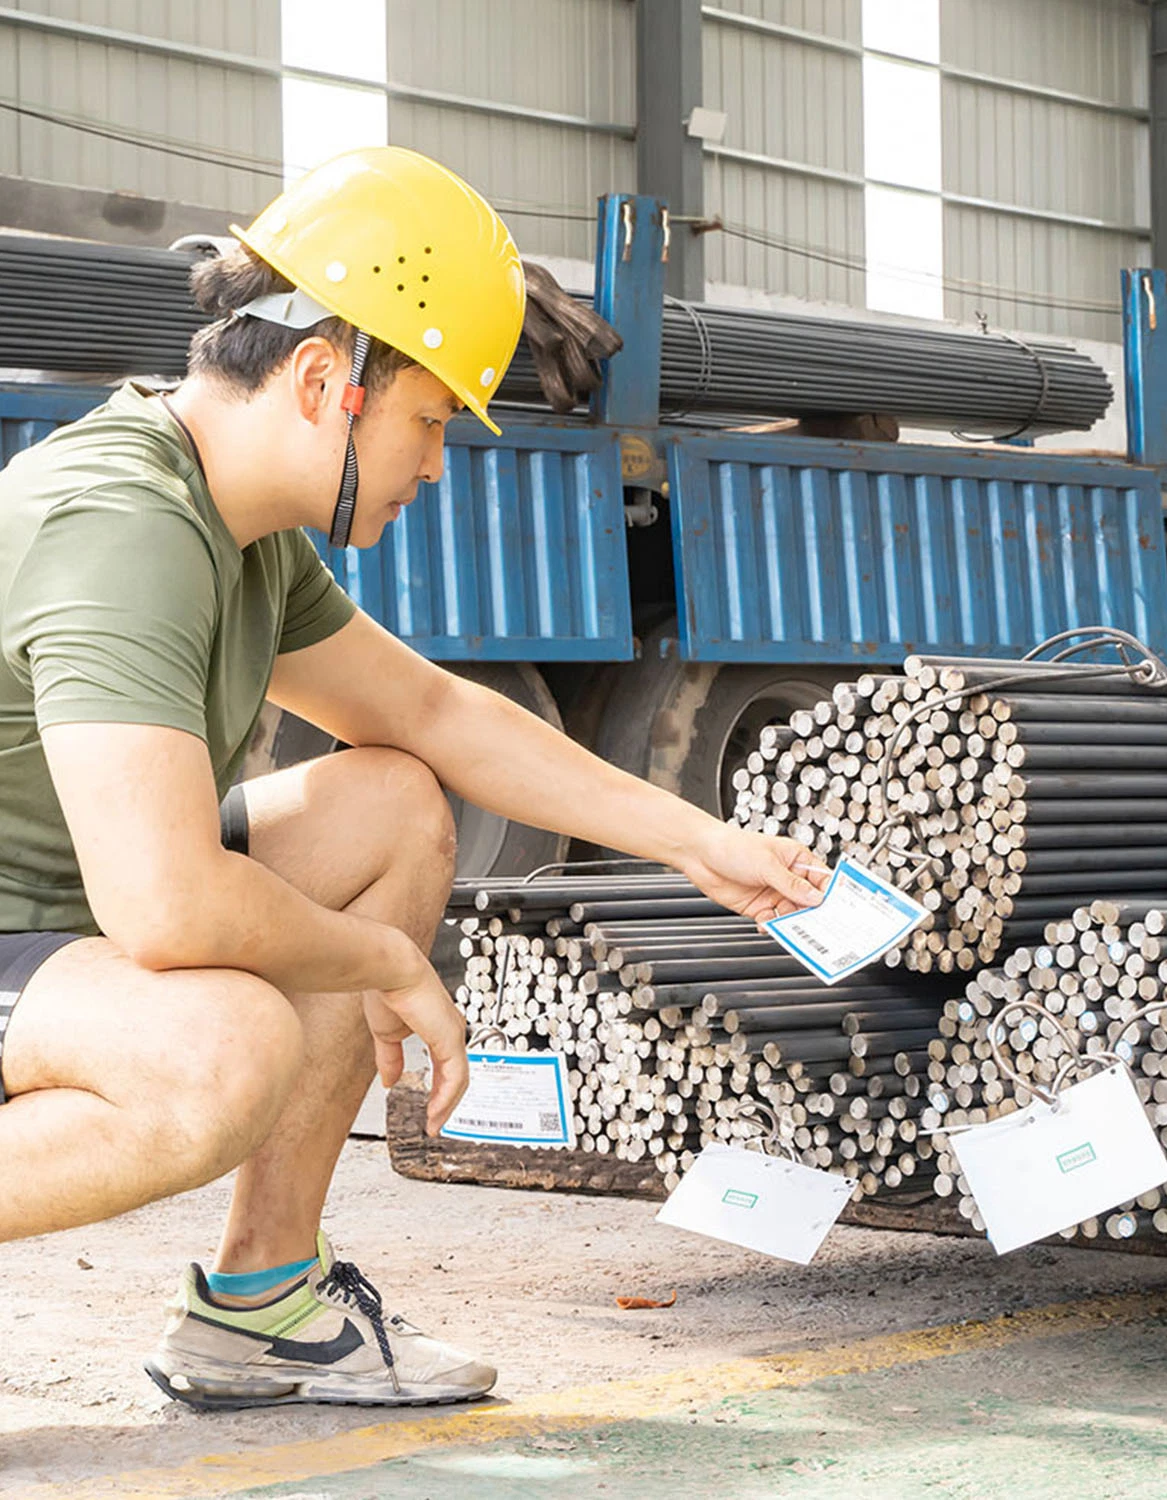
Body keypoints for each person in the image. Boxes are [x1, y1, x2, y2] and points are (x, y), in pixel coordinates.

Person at [0, 146, 827, 1410]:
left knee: (387, 801)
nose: (436, 467)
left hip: (50, 927)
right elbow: (165, 909)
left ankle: (260, 1304)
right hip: (30, 931)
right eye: (430, 421)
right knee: (220, 1052)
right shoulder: (124, 525)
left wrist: (691, 840)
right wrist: (385, 961)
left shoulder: (239, 533)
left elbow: (436, 713)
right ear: (325, 380)